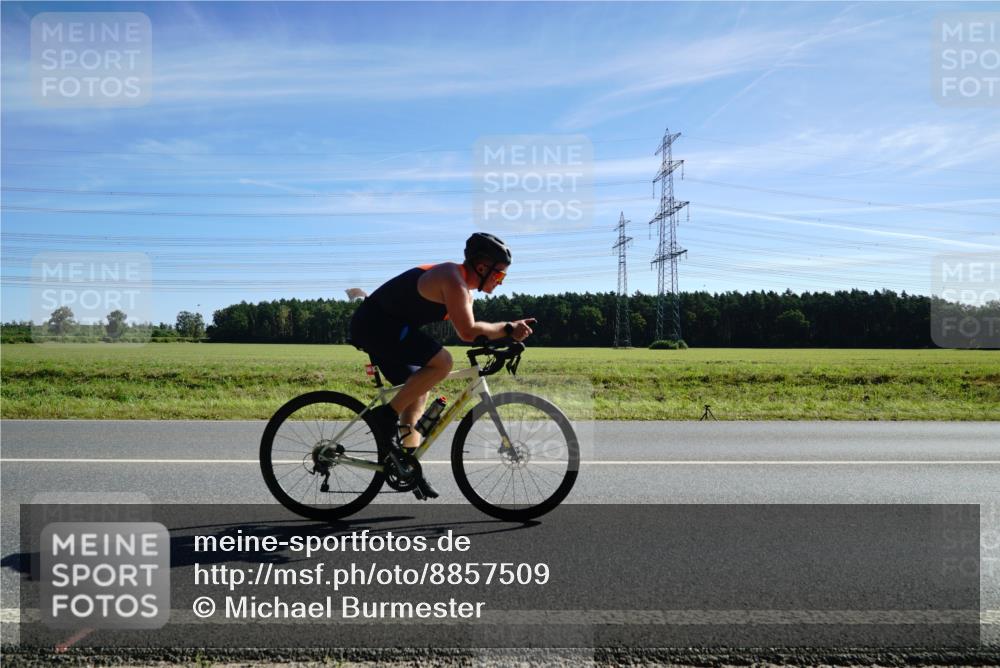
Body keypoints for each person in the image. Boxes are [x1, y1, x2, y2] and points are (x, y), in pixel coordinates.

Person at [349, 232, 535, 500]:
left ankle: (407, 465)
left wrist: (507, 335)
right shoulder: (452, 278)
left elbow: (478, 330)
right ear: (482, 267)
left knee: (419, 388)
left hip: (388, 328)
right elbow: (468, 332)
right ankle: (383, 418)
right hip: (376, 325)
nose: (501, 281)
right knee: (443, 362)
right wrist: (508, 328)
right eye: (500, 275)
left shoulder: (464, 292)